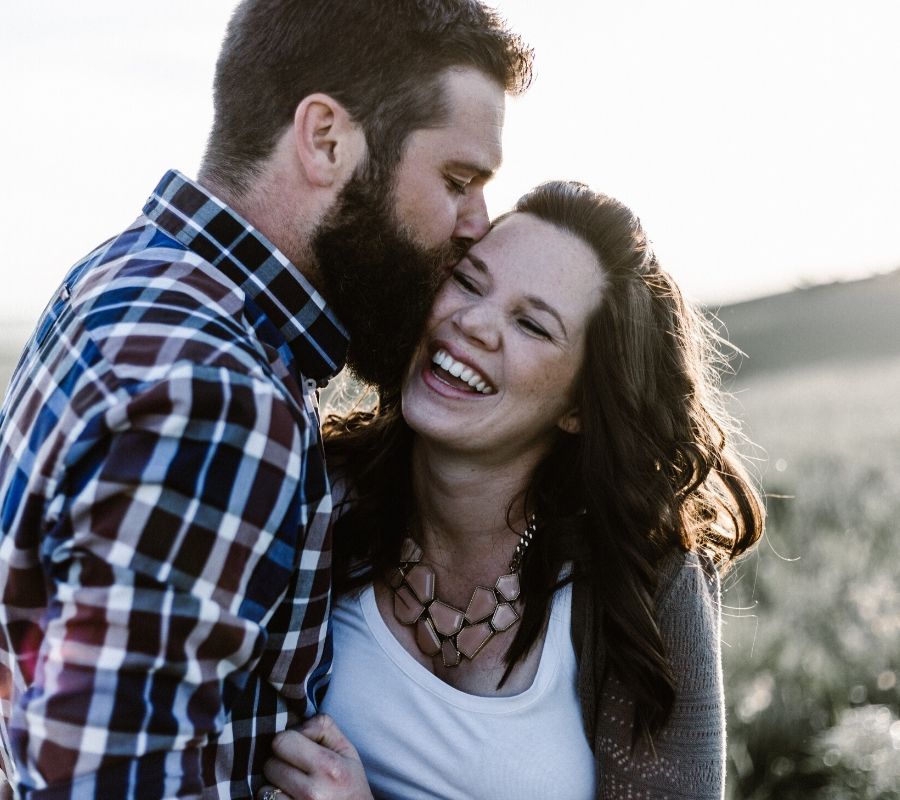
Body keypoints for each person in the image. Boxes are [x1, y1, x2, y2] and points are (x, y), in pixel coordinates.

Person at [0, 1, 532, 797]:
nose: (476, 221)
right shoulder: (219, 397)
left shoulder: (121, 278)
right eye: (457, 180)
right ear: (325, 139)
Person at [260, 181, 765, 800]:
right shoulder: (317, 493)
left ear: (580, 404)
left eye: (531, 324)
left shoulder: (641, 581)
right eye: (468, 282)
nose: (473, 323)